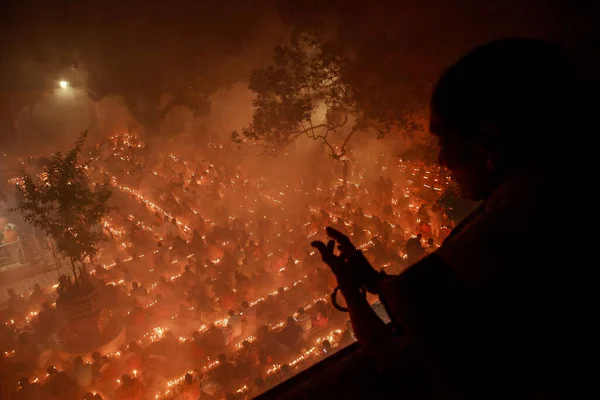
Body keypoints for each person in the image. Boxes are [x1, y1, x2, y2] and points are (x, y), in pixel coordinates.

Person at [312, 39, 597, 398]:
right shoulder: (562, 192)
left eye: (444, 140)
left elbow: (398, 358)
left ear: (487, 145)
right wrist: (374, 280)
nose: (441, 160)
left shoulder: (507, 232)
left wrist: (350, 292)